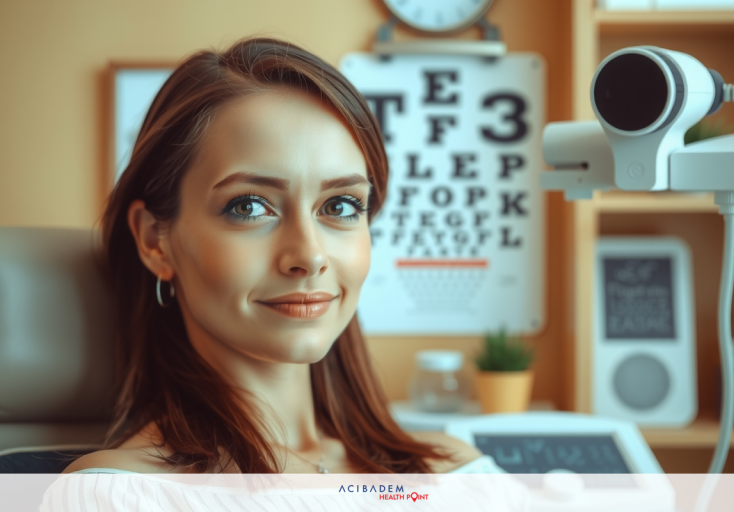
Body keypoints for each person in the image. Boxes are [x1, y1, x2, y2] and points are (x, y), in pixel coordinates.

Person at [62, 37, 503, 475]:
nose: (310, 257)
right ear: (154, 240)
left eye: (341, 206)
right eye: (249, 206)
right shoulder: (120, 494)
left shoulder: (456, 472)